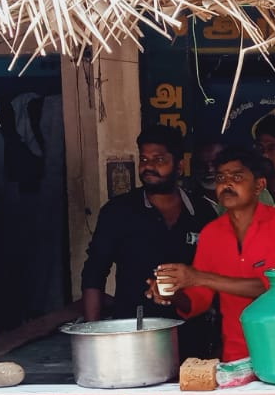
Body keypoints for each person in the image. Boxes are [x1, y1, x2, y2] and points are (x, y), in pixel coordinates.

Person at [152, 149, 275, 362]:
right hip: (235, 355)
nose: (226, 184)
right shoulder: (211, 234)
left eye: (237, 177)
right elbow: (198, 300)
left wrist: (198, 277)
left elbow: (274, 289)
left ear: (259, 185)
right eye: (221, 178)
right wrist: (171, 292)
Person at [80, 127, 218, 357]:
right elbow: (94, 273)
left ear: (179, 166)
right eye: (144, 159)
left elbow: (215, 276)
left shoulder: (202, 213)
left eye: (159, 159)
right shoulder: (118, 212)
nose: (149, 166)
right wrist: (92, 338)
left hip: (193, 337)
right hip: (133, 336)